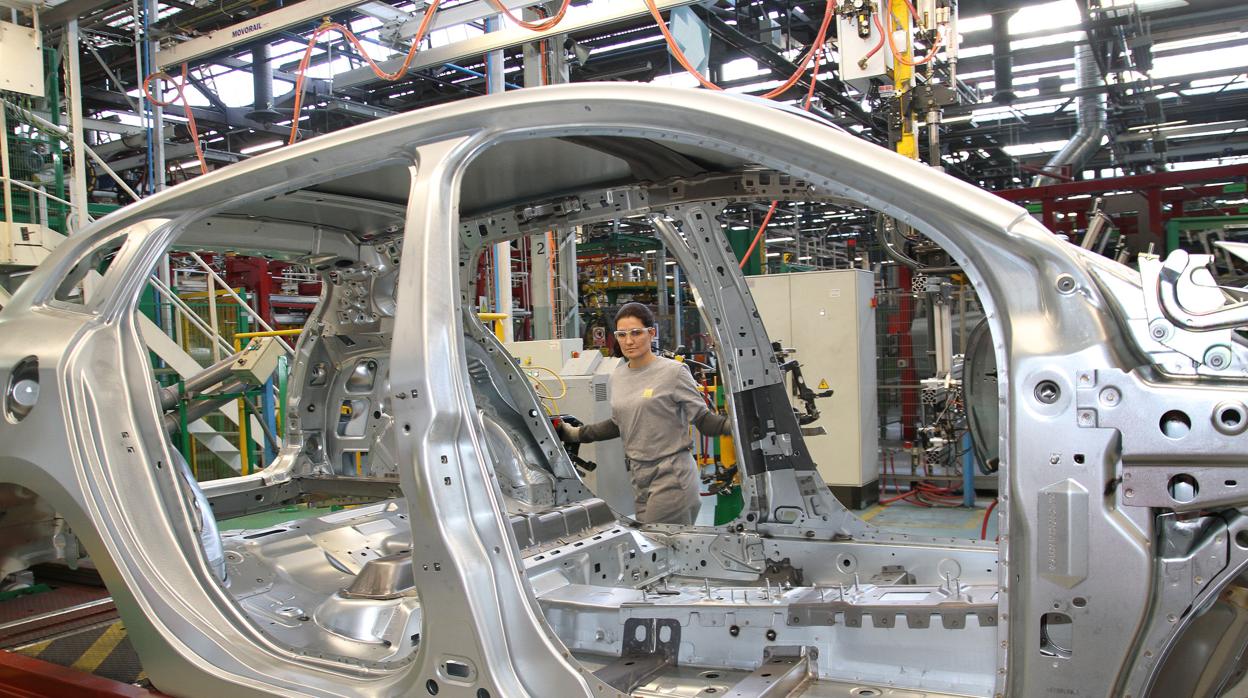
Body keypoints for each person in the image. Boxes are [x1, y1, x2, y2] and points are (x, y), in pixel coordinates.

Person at [558, 303, 732, 525]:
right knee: (652, 545)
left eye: (636, 333)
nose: (629, 341)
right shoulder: (618, 376)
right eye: (622, 335)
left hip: (671, 474)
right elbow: (618, 423)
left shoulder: (673, 372)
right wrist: (573, 434)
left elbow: (703, 420)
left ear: (652, 333)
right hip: (639, 476)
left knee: (661, 545)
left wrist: (735, 427)